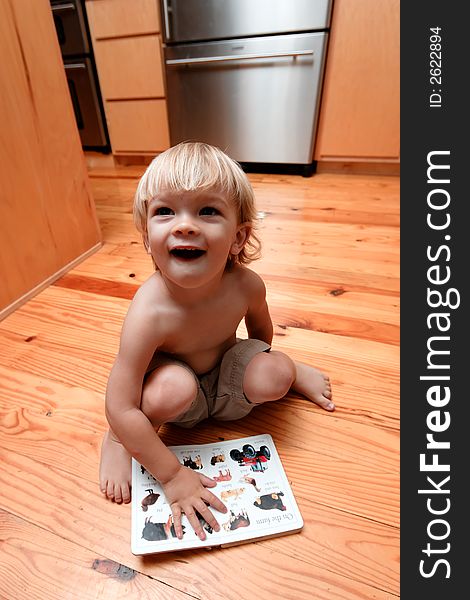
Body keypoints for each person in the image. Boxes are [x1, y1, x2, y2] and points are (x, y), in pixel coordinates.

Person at [99, 141, 334, 540]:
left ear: (239, 237)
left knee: (273, 373)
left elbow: (261, 336)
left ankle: (296, 373)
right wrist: (172, 475)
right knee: (168, 389)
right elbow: (119, 403)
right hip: (179, 395)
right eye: (164, 211)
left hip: (222, 381)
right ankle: (119, 441)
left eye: (207, 211)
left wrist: (268, 362)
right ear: (146, 236)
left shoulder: (246, 285)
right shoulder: (148, 312)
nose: (185, 225)